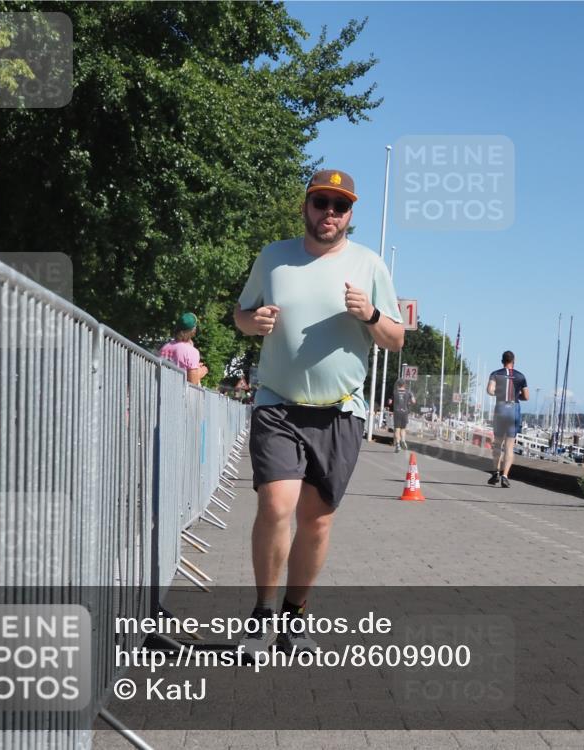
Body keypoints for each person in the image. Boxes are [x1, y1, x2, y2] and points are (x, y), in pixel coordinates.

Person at [234, 169, 404, 654]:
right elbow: (241, 315)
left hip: (339, 412)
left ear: (350, 214)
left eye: (340, 206)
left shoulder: (369, 265)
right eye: (320, 202)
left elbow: (396, 339)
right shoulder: (274, 257)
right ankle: (262, 614)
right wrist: (254, 321)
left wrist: (369, 315)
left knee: (316, 520)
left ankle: (294, 616)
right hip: (277, 404)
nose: (329, 213)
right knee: (275, 506)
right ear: (305, 206)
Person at [486, 351, 529, 488]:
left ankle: (495, 473)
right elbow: (526, 397)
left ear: (502, 360)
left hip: (500, 408)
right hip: (513, 409)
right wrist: (516, 396)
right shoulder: (521, 376)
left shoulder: (495, 374)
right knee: (509, 446)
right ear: (513, 361)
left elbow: (490, 390)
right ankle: (505, 475)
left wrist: (500, 393)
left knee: (497, 444)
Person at [159, 312, 208, 385]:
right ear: (193, 331)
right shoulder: (192, 352)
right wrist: (201, 372)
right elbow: (192, 383)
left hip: (163, 392)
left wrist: (195, 367)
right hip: (180, 395)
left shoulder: (164, 347)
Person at [387, 378, 416, 452]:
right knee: (403, 429)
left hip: (396, 412)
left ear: (398, 385)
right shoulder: (409, 392)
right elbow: (413, 401)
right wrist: (409, 402)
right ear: (404, 385)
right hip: (405, 412)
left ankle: (398, 444)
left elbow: (389, 402)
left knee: (397, 429)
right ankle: (403, 440)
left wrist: (390, 402)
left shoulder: (394, 392)